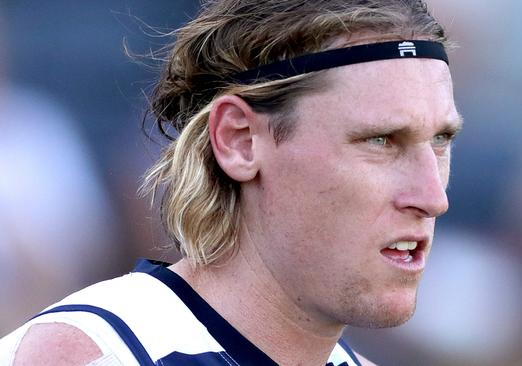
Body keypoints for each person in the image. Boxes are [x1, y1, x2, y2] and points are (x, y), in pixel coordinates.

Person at [0, 0, 462, 365]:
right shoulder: (92, 356)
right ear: (240, 141)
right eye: (380, 140)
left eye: (440, 140)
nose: (432, 197)